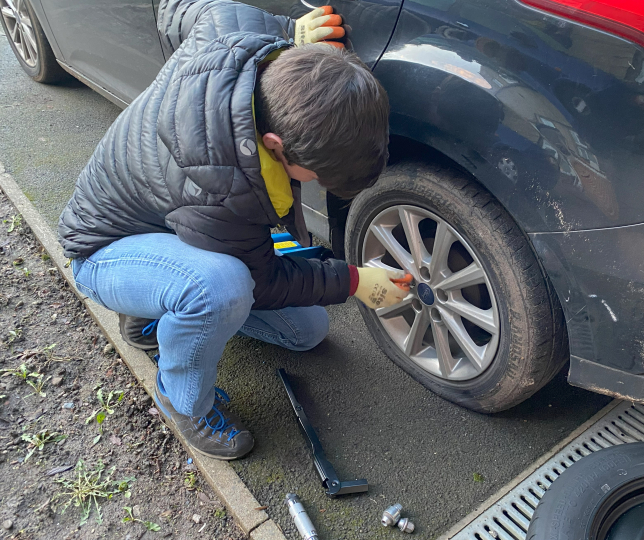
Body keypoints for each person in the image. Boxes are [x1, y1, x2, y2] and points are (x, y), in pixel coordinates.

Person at [57, 0, 411, 460]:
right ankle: (181, 399)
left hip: (168, 219)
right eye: (317, 175)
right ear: (274, 145)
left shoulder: (238, 30)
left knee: (306, 332)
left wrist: (290, 33)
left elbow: (176, 7)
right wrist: (355, 280)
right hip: (103, 250)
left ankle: (150, 313)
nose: (320, 186)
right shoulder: (222, 189)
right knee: (219, 289)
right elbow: (261, 284)